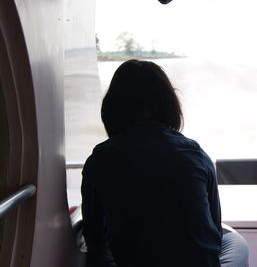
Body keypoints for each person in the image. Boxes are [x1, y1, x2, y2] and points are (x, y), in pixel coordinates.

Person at [81, 59, 248, 267]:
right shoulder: (194, 154)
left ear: (112, 108)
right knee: (234, 241)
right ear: (168, 104)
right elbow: (213, 232)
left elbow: (95, 236)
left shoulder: (100, 159)